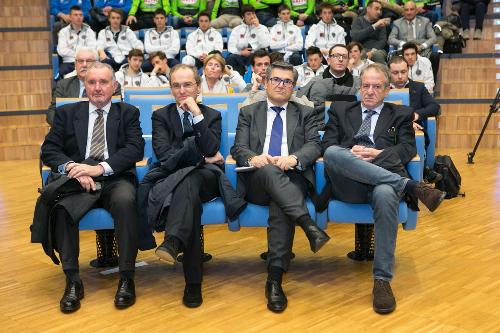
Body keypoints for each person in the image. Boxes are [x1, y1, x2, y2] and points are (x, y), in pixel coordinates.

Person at [321, 63, 445, 314]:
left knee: (387, 192)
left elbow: (408, 149)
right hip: (350, 184)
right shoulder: (340, 109)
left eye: (376, 86)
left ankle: (382, 281)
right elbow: (328, 145)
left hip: (383, 182)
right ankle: (411, 186)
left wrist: (379, 154)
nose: (369, 91)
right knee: (335, 152)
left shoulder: (400, 114)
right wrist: (351, 154)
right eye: (365, 86)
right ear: (359, 87)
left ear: (387, 90)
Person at [35, 62, 145, 313]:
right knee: (61, 209)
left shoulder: (128, 112)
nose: (97, 88)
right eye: (92, 82)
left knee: (126, 202)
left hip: (114, 178)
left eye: (103, 82)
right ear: (85, 86)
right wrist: (74, 168)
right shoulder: (66, 113)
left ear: (114, 86)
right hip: (77, 180)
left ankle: (127, 277)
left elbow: (134, 149)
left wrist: (99, 169)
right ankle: (73, 280)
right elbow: (49, 150)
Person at [230, 61, 330, 313]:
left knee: (281, 202)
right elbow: (238, 147)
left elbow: (314, 145)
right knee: (270, 173)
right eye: (275, 79)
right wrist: (254, 158)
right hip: (257, 180)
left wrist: (295, 158)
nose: (280, 85)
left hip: (292, 175)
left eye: (287, 81)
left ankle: (274, 280)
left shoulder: (305, 113)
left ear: (293, 87)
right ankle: (308, 225)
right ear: (265, 83)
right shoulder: (249, 112)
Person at [146, 65, 230, 308]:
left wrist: (196, 114)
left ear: (198, 86)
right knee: (188, 192)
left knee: (192, 180)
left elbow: (212, 147)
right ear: (171, 88)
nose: (182, 91)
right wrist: (203, 158)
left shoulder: (211, 115)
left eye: (187, 85)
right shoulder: (161, 116)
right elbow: (164, 156)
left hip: (208, 179)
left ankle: (173, 241)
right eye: (176, 85)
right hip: (178, 179)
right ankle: (192, 282)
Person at [47, 47, 122, 126]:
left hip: (100, 129)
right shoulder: (63, 85)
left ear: (97, 63)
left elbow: (116, 112)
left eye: (89, 61)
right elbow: (51, 113)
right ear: (75, 64)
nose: (84, 64)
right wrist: (69, 126)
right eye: (80, 61)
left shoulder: (111, 85)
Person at [297, 44, 359, 128]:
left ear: (348, 60)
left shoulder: (359, 83)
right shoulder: (314, 82)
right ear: (328, 60)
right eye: (336, 56)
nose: (340, 59)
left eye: (344, 57)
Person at [226, 5, 271, 77]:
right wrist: (241, 52)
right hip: (241, 55)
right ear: (243, 16)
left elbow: (265, 44)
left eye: (253, 13)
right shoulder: (237, 30)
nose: (252, 16)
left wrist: (258, 27)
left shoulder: (262, 28)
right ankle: (238, 80)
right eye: (248, 14)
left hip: (256, 54)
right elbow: (231, 47)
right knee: (230, 58)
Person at [57, 6, 97, 77]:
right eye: (75, 15)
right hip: (69, 62)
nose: (79, 17)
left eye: (80, 15)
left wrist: (81, 57)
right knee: (62, 74)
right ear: (70, 17)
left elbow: (93, 50)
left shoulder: (89, 31)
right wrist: (80, 54)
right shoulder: (63, 32)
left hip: (86, 63)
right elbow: (61, 51)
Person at [350, 0, 389, 64]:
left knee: (377, 55)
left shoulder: (381, 23)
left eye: (380, 10)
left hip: (377, 49)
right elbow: (355, 37)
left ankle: (385, 73)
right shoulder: (358, 21)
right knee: (358, 55)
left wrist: (372, 51)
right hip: (361, 49)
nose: (379, 12)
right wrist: (374, 26)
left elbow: (383, 40)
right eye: (376, 9)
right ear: (368, 9)